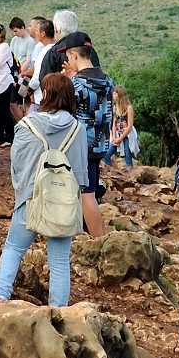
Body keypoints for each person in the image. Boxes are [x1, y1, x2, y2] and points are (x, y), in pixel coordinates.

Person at [0, 73, 89, 306]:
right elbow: (81, 174)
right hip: (62, 202)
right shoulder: (78, 129)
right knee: (59, 261)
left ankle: (0, 298)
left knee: (14, 248)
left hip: (31, 197)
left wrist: (23, 193)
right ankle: (58, 311)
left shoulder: (26, 125)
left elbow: (17, 166)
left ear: (45, 94)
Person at [65, 43, 111, 238]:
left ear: (75, 55)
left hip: (82, 144)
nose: (68, 62)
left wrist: (69, 81)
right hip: (100, 143)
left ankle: (98, 240)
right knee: (89, 190)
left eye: (69, 57)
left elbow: (67, 110)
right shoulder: (107, 80)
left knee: (87, 195)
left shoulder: (77, 84)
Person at [0, 22, 21, 140]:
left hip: (4, 82)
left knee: (5, 110)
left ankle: (10, 136)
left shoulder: (4, 46)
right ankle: (0, 136)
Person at [26, 18, 56, 108]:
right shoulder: (56, 49)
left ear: (43, 34)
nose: (36, 34)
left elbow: (37, 75)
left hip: (41, 96)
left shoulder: (44, 52)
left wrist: (30, 88)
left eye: (37, 31)